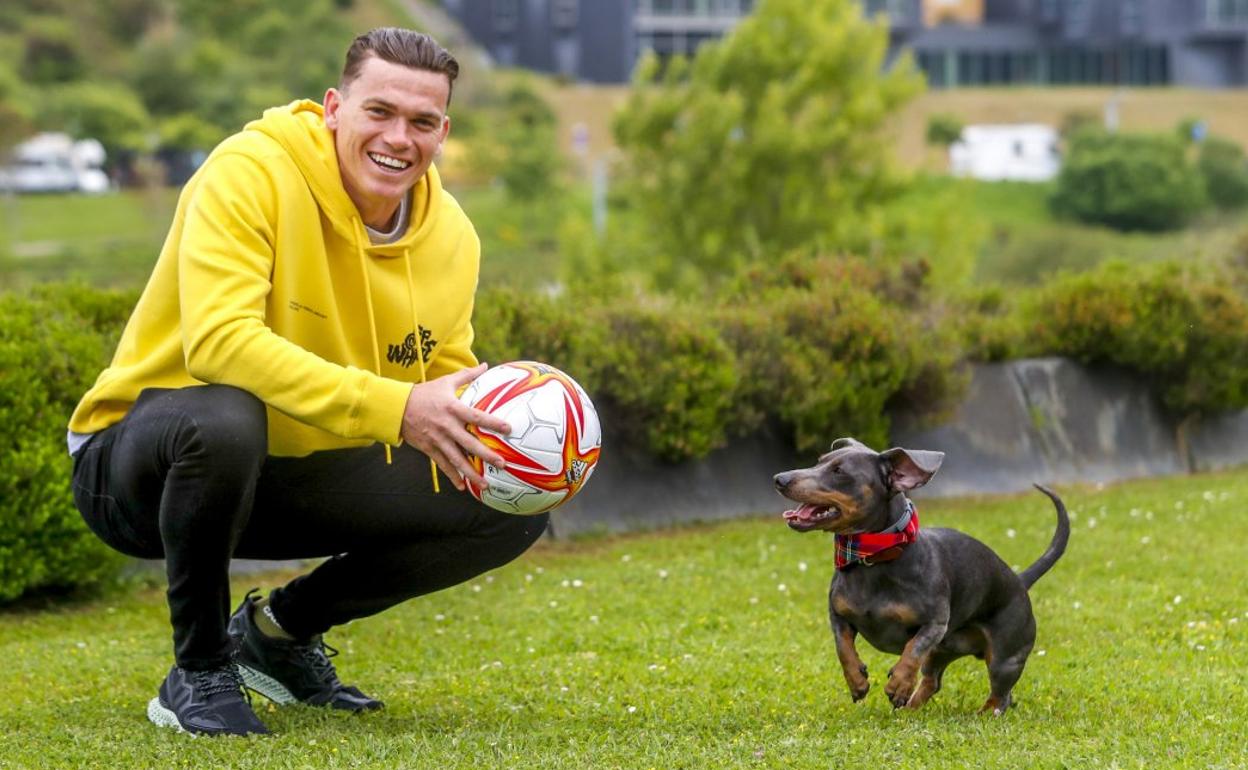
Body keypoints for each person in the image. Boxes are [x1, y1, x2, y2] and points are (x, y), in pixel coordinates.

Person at [67, 28, 548, 737]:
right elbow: (218, 344)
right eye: (377, 112)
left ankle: (280, 636)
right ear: (332, 108)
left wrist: (528, 442)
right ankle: (198, 673)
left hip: (285, 472)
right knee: (224, 418)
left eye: (421, 122)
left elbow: (442, 378)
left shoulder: (453, 239)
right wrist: (395, 407)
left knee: (507, 499)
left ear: (443, 132)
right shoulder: (249, 173)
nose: (397, 137)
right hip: (140, 466)